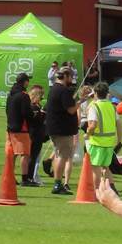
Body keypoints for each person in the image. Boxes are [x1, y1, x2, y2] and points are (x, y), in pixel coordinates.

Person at [45, 64, 79, 195]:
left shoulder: (54, 88)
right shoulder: (63, 90)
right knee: (62, 156)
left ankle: (57, 184)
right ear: (65, 76)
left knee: (59, 155)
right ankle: (57, 185)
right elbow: (70, 110)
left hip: (56, 128)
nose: (72, 79)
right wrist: (80, 102)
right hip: (62, 129)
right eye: (71, 76)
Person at [85, 81, 122, 187]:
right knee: (106, 168)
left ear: (96, 93)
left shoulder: (94, 106)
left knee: (95, 168)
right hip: (109, 142)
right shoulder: (112, 106)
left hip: (97, 142)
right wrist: (119, 141)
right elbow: (119, 125)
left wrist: (87, 133)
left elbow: (93, 125)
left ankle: (96, 191)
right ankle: (112, 188)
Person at [3, 72, 36, 187]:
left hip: (10, 127)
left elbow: (7, 110)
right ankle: (24, 178)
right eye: (28, 80)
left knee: (12, 154)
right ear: (24, 82)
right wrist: (33, 114)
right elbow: (26, 112)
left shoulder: (11, 94)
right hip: (21, 128)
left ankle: (9, 176)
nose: (28, 83)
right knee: (24, 154)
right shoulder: (23, 95)